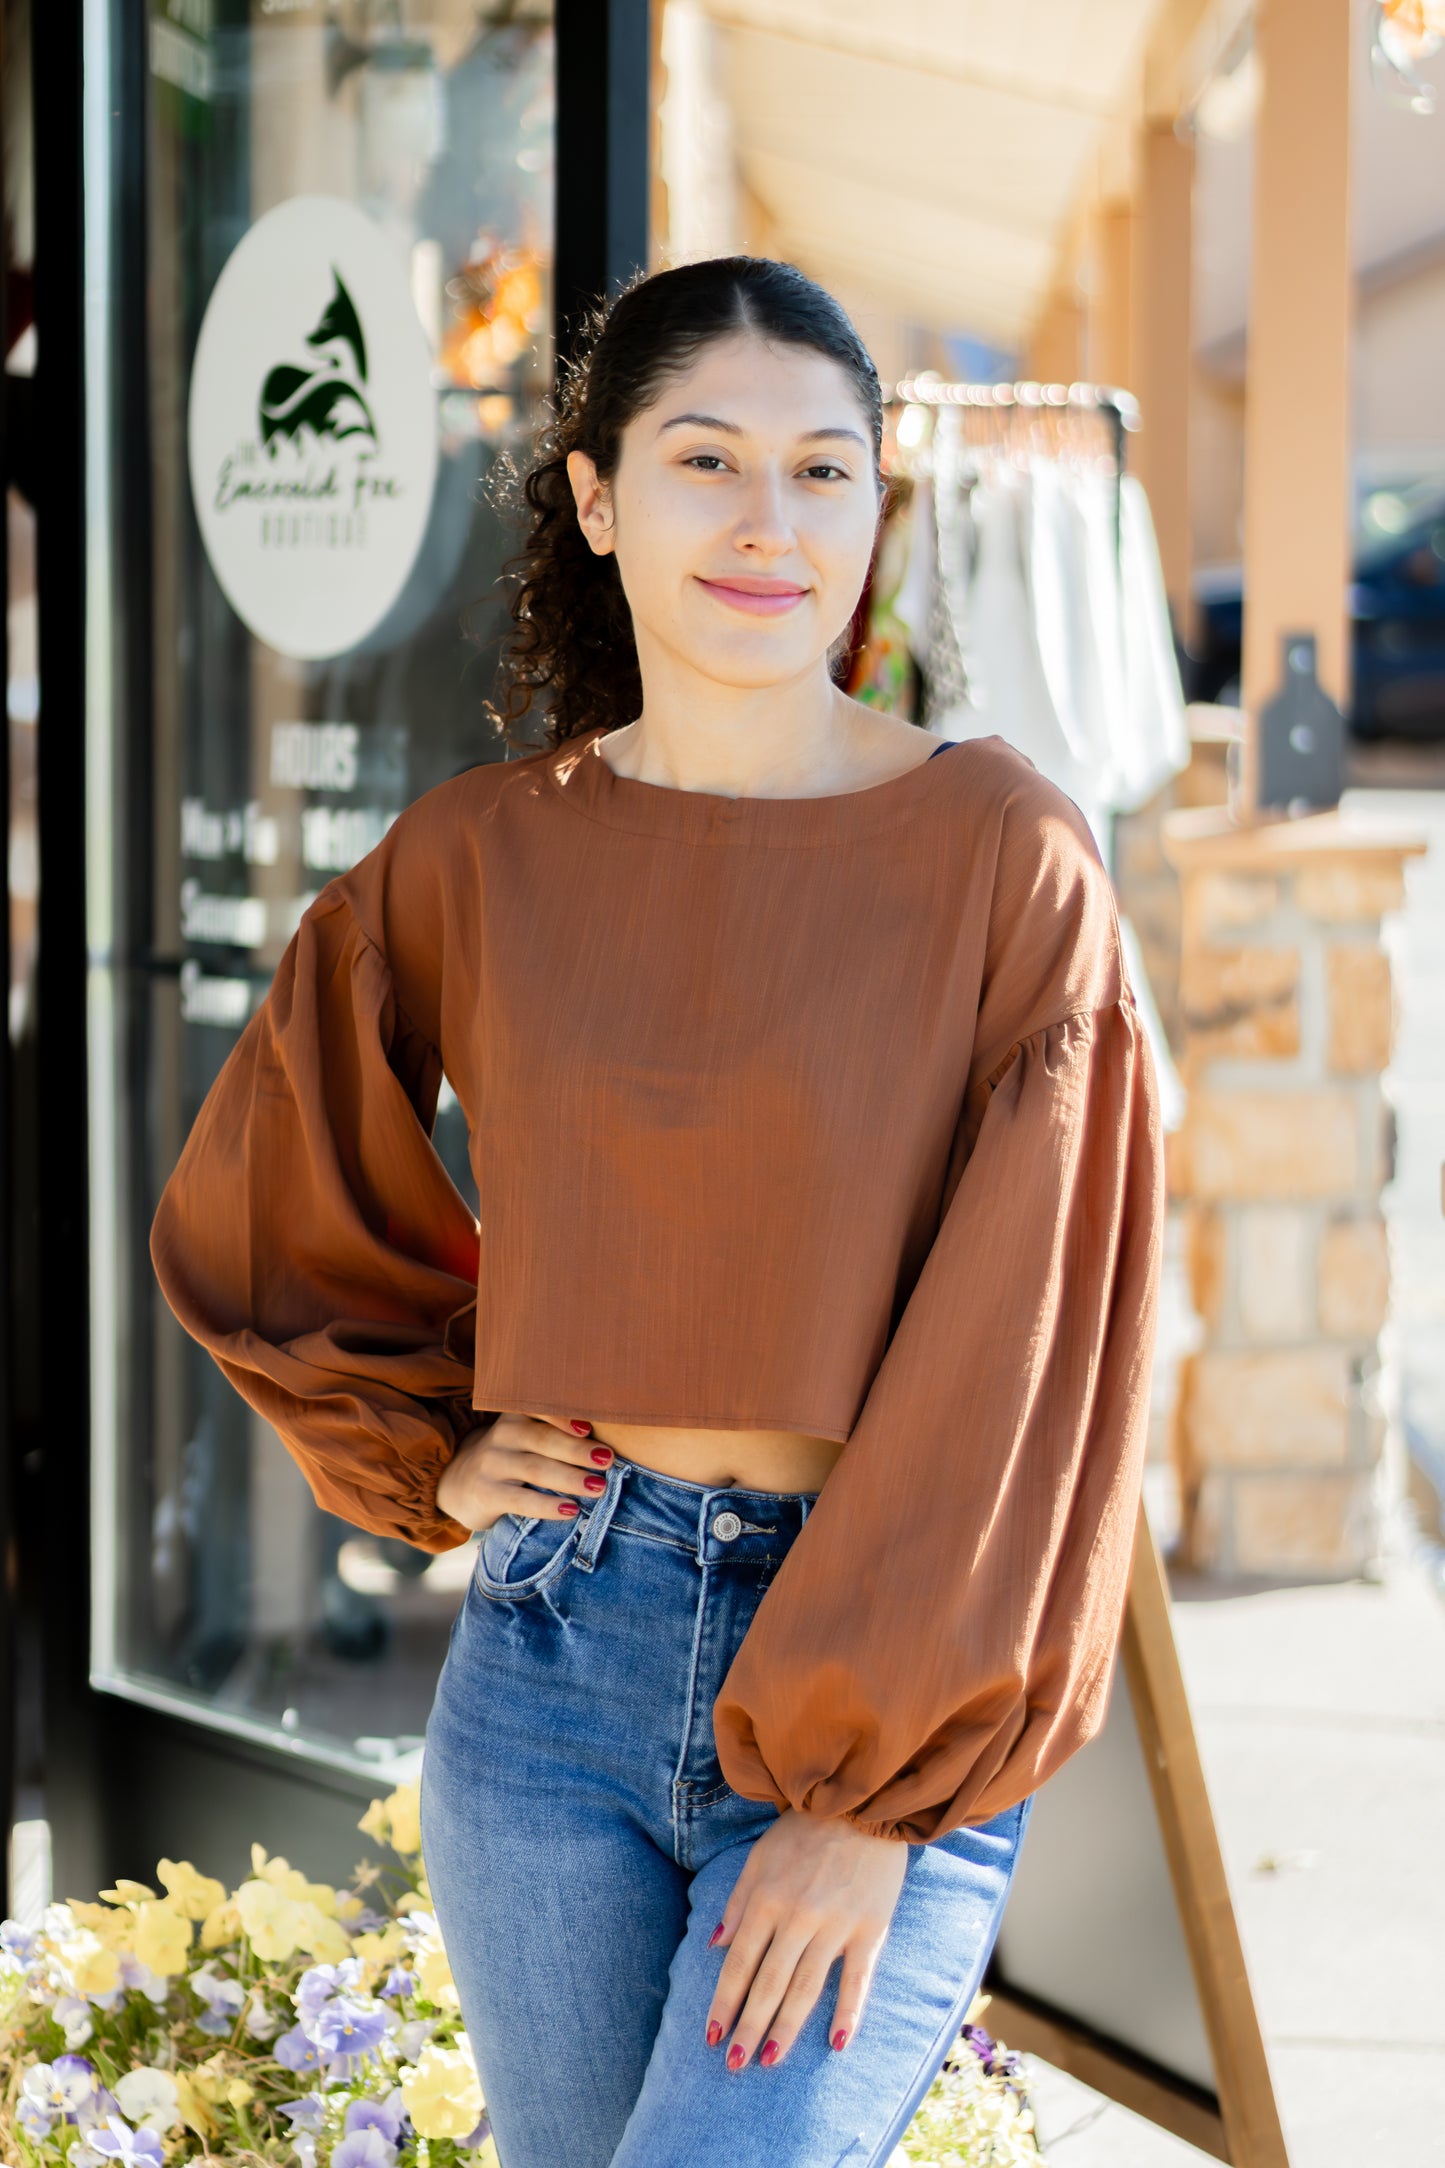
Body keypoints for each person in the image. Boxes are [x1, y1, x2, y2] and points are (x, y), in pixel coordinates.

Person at [151, 256, 1164, 2168]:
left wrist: (871, 1805)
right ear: (599, 499)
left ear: (879, 508)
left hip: (866, 1676)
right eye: (706, 462)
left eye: (825, 472)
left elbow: (1041, 1351)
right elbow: (272, 1167)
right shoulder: (481, 852)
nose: (771, 524)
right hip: (551, 1664)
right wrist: (430, 1447)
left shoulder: (1003, 857)